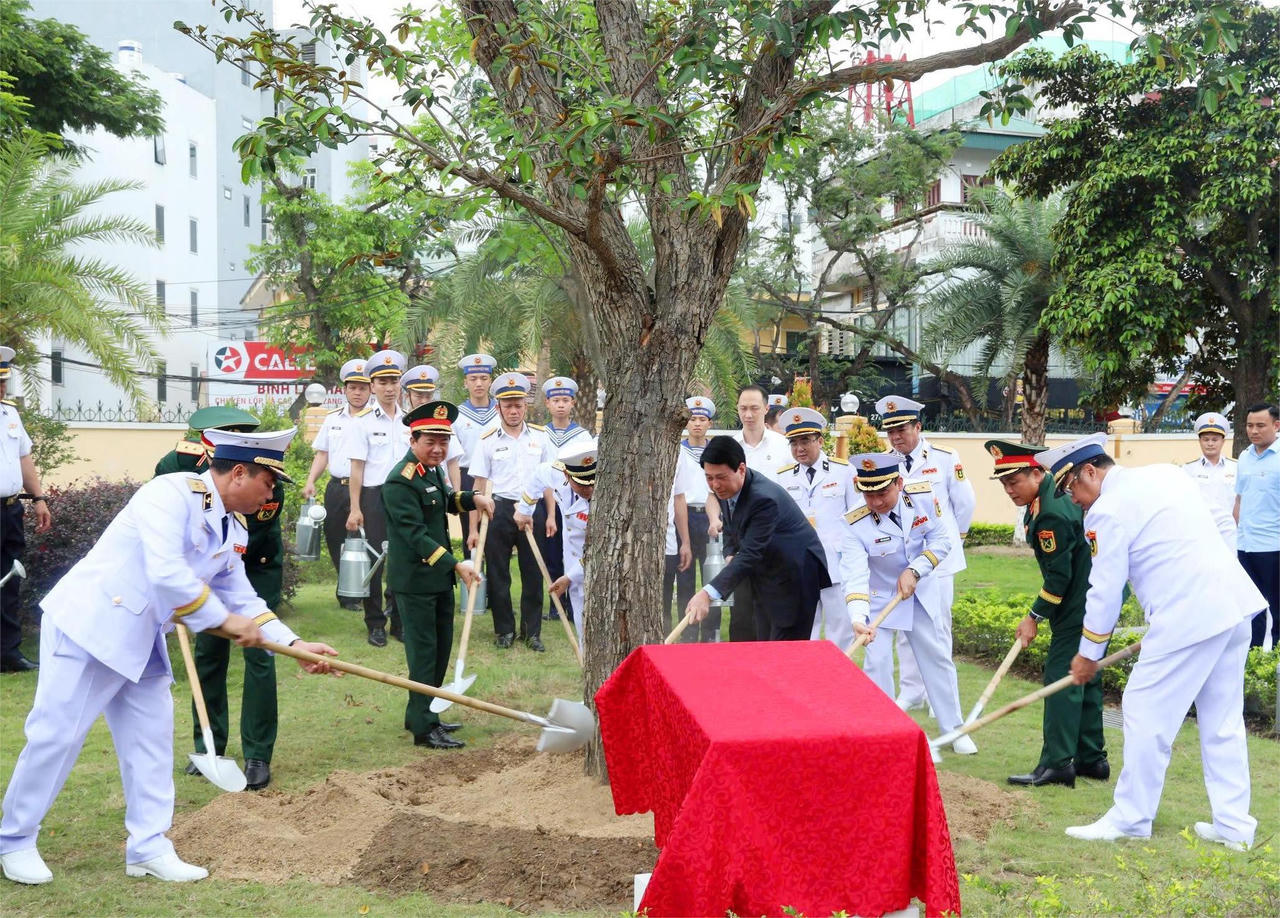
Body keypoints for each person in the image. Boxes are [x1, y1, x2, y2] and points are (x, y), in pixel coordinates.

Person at [0, 429, 338, 886]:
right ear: (239, 472)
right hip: (90, 627)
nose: (272, 492)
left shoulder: (233, 526)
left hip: (141, 639)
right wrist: (222, 620)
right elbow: (167, 574)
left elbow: (241, 597)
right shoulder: (170, 493)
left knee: (151, 743)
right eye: (269, 481)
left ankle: (148, 847)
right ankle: (14, 840)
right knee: (56, 736)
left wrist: (294, 645)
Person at [1037, 434, 1263, 850]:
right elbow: (1220, 524)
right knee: (1223, 722)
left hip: (1187, 617)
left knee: (1142, 709)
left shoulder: (1106, 511)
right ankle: (1235, 828)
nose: (1074, 500)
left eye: (1073, 489)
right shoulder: (1166, 474)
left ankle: (1130, 818)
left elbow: (1103, 591)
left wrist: (1087, 655)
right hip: (1230, 604)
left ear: (1091, 471)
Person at [154, 405, 286, 792]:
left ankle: (259, 752)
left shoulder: (260, 471)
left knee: (261, 651)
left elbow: (258, 520)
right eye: (221, 435)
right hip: (203, 569)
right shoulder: (178, 463)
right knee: (209, 654)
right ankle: (208, 744)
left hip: (254, 564)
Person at [985, 440, 1106, 788]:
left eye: (1015, 481)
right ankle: (1091, 758)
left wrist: (1033, 617)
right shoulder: (1046, 498)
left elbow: (1059, 577)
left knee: (1061, 677)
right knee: (1087, 674)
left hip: (1079, 601)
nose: (1009, 490)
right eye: (1004, 483)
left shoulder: (1051, 511)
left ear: (1037, 472)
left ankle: (1058, 763)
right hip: (1092, 596)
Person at [838, 453, 976, 755]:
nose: (874, 501)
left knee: (936, 657)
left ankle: (954, 729)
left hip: (918, 589)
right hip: (877, 600)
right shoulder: (853, 521)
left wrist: (915, 570)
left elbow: (942, 540)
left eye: (882, 492)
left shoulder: (923, 496)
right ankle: (887, 733)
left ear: (899, 483)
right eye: (867, 493)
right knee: (878, 662)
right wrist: (858, 618)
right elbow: (856, 574)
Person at [382, 401, 493, 750]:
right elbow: (414, 535)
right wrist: (456, 564)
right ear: (413, 440)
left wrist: (473, 498)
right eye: (430, 441)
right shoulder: (400, 481)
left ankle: (425, 712)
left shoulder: (431, 471)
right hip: (416, 582)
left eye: (443, 442)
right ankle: (423, 727)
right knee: (424, 654)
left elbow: (445, 500)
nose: (438, 449)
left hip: (437, 579)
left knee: (441, 649)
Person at [876, 395, 975, 713]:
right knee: (905, 626)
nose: (895, 437)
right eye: (890, 432)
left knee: (938, 625)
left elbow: (964, 503)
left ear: (918, 426)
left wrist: (953, 540)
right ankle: (912, 691)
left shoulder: (945, 458)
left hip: (938, 560)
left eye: (902, 430)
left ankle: (938, 696)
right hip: (902, 560)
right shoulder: (885, 463)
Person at [684, 436, 830, 640]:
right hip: (765, 574)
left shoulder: (763, 499)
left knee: (785, 652)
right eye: (709, 478)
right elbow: (731, 527)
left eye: (721, 477)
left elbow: (751, 553)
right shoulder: (726, 489)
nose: (715, 485)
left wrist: (707, 593)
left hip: (794, 576)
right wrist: (730, 553)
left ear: (741, 469)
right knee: (762, 643)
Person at [469, 373, 555, 650]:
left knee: (533, 572)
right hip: (499, 509)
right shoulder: (487, 440)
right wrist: (472, 528)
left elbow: (548, 482)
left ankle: (532, 633)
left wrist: (551, 515)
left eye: (518, 404)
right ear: (498, 408)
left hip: (533, 509)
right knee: (498, 573)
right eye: (508, 406)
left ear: (525, 407)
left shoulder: (541, 438)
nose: (514, 410)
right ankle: (504, 630)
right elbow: (478, 486)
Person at [773, 407, 857, 650]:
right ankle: (805, 682)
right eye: (794, 443)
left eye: (806, 441)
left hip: (835, 564)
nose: (799, 448)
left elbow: (856, 519)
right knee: (803, 630)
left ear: (820, 441)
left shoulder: (844, 472)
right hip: (799, 565)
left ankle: (836, 681)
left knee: (840, 630)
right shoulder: (783, 478)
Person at [719, 385, 792, 640]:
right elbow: (715, 496)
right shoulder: (728, 446)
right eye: (743, 409)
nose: (748, 415)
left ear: (766, 409)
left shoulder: (784, 447)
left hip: (777, 540)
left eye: (754, 408)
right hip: (742, 540)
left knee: (775, 612)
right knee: (742, 615)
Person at [346, 348, 408, 647]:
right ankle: (375, 624)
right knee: (375, 562)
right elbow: (356, 468)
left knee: (403, 560)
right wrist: (355, 508)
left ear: (400, 384)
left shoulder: (411, 422)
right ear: (372, 386)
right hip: (374, 497)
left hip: (406, 498)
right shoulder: (363, 422)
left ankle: (398, 620)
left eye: (394, 381)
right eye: (382, 382)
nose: (389, 387)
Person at [302, 358, 370, 610]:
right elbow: (322, 454)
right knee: (335, 538)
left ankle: (363, 590)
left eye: (363, 387)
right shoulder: (333, 419)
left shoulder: (374, 419)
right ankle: (347, 591)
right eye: (353, 387)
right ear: (345, 389)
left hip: (365, 489)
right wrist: (310, 481)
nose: (357, 392)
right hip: (336, 488)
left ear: (370, 389)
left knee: (364, 539)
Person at [0, 346, 51, 673]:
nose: (2, 387)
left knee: (9, 579)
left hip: (9, 510)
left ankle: (8, 653)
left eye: (3, 381)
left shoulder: (9, 413)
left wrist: (39, 498)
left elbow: (23, 458)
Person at [517, 440, 597, 648]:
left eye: (592, 482)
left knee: (597, 627)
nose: (588, 489)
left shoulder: (609, 498)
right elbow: (538, 475)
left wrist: (569, 576)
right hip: (572, 563)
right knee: (582, 626)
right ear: (567, 475)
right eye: (581, 483)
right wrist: (525, 510)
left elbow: (601, 552)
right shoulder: (556, 472)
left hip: (595, 569)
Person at [666, 397, 723, 642]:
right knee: (685, 577)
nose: (697, 424)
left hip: (711, 517)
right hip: (684, 516)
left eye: (702, 419)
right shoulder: (676, 450)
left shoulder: (716, 450)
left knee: (714, 577)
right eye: (692, 419)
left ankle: (711, 633)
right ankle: (688, 631)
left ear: (710, 423)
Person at [536, 377, 590, 621]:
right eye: (555, 400)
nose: (560, 405)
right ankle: (554, 605)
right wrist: (549, 513)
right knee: (552, 552)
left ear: (573, 403)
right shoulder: (539, 434)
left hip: (576, 501)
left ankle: (573, 602)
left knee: (574, 551)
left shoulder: (582, 436)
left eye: (565, 400)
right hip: (550, 502)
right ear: (547, 403)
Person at [1234, 403, 1279, 649]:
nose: (1254, 431)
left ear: (1276, 425)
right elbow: (1239, 499)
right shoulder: (1244, 456)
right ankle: (1254, 654)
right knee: (1251, 606)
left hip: (1273, 547)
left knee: (1276, 606)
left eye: (1260, 425)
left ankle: (1274, 659)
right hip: (1246, 546)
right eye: (1250, 425)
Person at [453, 353, 499, 544]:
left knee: (494, 535)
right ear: (466, 383)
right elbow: (453, 458)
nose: (478, 383)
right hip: (467, 476)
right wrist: (456, 492)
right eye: (473, 379)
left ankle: (492, 574)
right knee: (470, 534)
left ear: (491, 382)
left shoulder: (501, 411)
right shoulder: (457, 415)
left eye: (483, 378)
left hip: (496, 477)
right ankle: (472, 571)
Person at [401, 364, 465, 489]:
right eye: (418, 396)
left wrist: (457, 495)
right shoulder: (400, 424)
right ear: (407, 396)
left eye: (428, 396)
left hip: (440, 488)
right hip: (410, 489)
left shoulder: (443, 424)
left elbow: (452, 462)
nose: (424, 401)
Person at [1182, 412, 1237, 551]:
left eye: (1215, 439)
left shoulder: (1236, 467)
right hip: (1200, 531)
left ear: (1223, 441)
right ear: (1199, 441)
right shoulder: (1188, 469)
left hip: (1230, 532)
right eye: (1206, 439)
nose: (1210, 443)